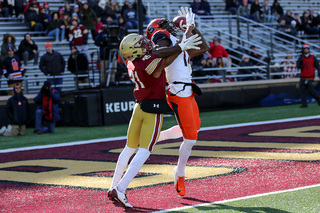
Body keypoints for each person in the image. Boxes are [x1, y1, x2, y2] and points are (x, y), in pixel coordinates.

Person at [108, 32, 202, 208]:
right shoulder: (147, 64)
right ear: (135, 51)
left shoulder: (131, 63)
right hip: (152, 109)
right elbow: (165, 61)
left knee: (129, 148)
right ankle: (120, 189)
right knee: (144, 151)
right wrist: (182, 46)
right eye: (140, 44)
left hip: (138, 107)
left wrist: (182, 40)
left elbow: (159, 55)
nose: (145, 43)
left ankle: (113, 186)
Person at [146, 7, 209, 197]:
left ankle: (156, 137)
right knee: (190, 138)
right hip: (177, 92)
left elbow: (203, 47)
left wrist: (191, 27)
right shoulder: (165, 44)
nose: (170, 27)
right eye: (164, 26)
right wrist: (183, 40)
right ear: (156, 31)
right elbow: (163, 51)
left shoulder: (176, 44)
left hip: (188, 90)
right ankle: (179, 172)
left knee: (192, 130)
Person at [296, 43, 320, 108]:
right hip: (303, 76)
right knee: (302, 91)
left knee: (312, 90)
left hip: (310, 76)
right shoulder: (301, 58)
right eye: (305, 49)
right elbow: (298, 66)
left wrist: (319, 72)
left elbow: (317, 66)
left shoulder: (313, 57)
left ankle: (318, 99)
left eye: (307, 49)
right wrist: (299, 63)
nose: (306, 50)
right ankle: (304, 104)